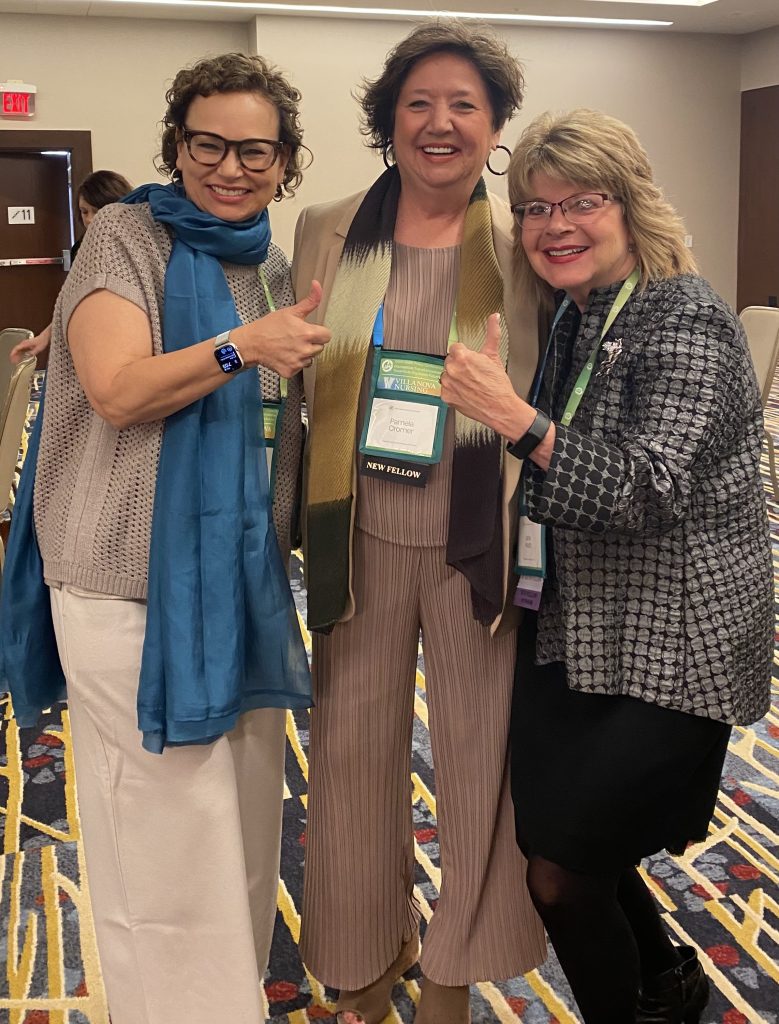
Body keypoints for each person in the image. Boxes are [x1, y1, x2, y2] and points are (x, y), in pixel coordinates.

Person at [0, 52, 330, 1024]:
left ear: (285, 161)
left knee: (237, 818)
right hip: (123, 587)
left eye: (255, 150)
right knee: (161, 833)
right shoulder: (123, 242)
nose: (230, 166)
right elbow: (116, 389)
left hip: (237, 583)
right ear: (176, 146)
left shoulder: (267, 267)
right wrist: (243, 349)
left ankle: (225, 997)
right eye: (208, 144)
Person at [439, 108, 773, 1024]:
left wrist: (517, 420)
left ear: (629, 205)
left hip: (671, 643)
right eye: (534, 209)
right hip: (580, 624)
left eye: (578, 203)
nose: (554, 227)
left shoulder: (685, 317)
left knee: (560, 876)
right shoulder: (578, 314)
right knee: (567, 842)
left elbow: (649, 489)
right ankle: (665, 981)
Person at [292, 20, 546, 1024]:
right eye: (418, 103)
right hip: (353, 527)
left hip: (479, 533)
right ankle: (364, 953)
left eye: (464, 106)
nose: (439, 123)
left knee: (484, 759)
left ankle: (451, 965)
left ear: (493, 128)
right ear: (387, 119)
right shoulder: (325, 225)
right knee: (351, 753)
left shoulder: (519, 236)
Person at [9, 170, 132, 364]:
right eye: (84, 212)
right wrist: (45, 337)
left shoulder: (135, 248)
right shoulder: (82, 249)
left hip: (126, 345)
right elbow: (72, 300)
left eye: (99, 210)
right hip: (88, 344)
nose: (90, 219)